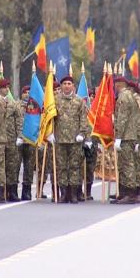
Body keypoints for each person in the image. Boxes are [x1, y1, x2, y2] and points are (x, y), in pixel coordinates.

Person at [50, 75, 89, 204]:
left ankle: (73, 194)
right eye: (64, 84)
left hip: (74, 139)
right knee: (61, 167)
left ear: (73, 86)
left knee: (74, 166)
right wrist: (50, 133)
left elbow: (84, 119)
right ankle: (63, 194)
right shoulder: (55, 100)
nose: (67, 86)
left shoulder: (79, 101)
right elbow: (50, 118)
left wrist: (82, 134)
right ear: (61, 86)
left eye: (69, 84)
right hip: (60, 139)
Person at [112, 77, 137, 204]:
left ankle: (130, 193)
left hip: (126, 136)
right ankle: (125, 192)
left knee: (127, 165)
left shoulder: (123, 97)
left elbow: (122, 118)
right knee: (126, 164)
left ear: (119, 85)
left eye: (115, 85)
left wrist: (118, 137)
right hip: (130, 135)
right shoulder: (130, 95)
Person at [0, 79, 24, 202]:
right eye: (4, 87)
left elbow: (19, 121)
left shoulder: (13, 104)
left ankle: (12, 191)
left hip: (11, 138)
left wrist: (20, 136)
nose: (6, 89)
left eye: (8, 87)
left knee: (12, 165)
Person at [18, 85, 35, 200]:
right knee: (14, 166)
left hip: (30, 140)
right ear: (21, 94)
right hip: (18, 140)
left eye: (29, 92)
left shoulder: (35, 106)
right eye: (25, 92)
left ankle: (27, 191)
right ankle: (12, 190)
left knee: (29, 167)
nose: (27, 94)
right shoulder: (15, 105)